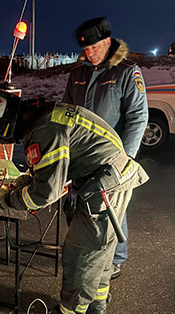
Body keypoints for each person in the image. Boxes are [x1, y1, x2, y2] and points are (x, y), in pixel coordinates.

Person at [0, 89, 149, 314]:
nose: (3, 142)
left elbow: (44, 194)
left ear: (6, 125)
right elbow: (54, 165)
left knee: (81, 253)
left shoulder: (43, 130)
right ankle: (96, 305)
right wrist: (25, 180)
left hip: (104, 186)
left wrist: (9, 199)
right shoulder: (44, 115)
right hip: (109, 177)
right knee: (100, 249)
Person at [63, 17, 148, 279]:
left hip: (112, 157)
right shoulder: (78, 73)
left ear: (108, 42)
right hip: (80, 155)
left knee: (111, 207)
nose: (90, 54)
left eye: (95, 48)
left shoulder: (125, 71)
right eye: (86, 49)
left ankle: (117, 259)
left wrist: (127, 159)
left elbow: (137, 117)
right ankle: (86, 251)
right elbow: (66, 112)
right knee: (80, 203)